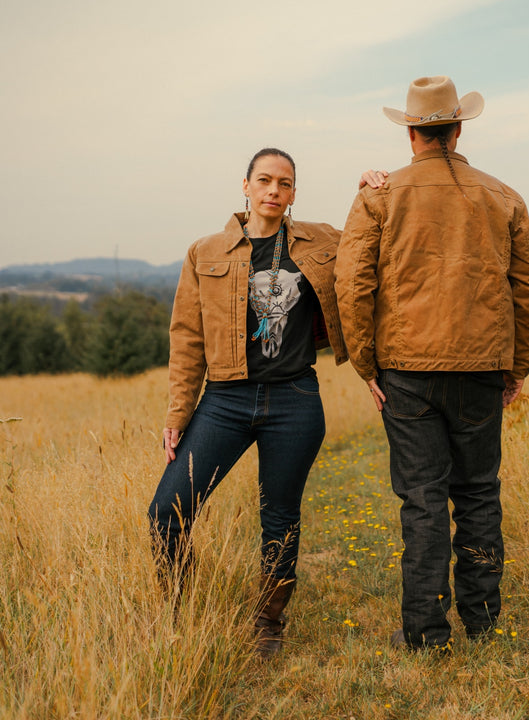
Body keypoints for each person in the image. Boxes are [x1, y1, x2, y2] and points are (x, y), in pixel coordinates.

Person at [335, 76, 529, 651]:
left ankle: (427, 633)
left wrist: (366, 365)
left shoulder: (379, 195)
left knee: (422, 498)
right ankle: (483, 619)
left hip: (405, 370)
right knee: (478, 492)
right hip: (481, 367)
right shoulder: (503, 196)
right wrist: (517, 364)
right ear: (457, 129)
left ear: (411, 134)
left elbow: (352, 283)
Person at [149, 148, 350, 659]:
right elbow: (187, 338)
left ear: (294, 193)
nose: (274, 191)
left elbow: (376, 240)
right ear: (245, 185)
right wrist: (178, 414)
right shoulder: (206, 252)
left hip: (295, 399)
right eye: (264, 180)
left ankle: (268, 621)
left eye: (285, 183)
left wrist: (376, 188)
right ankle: (181, 609)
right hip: (225, 399)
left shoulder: (322, 240)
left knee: (279, 517)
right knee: (165, 513)